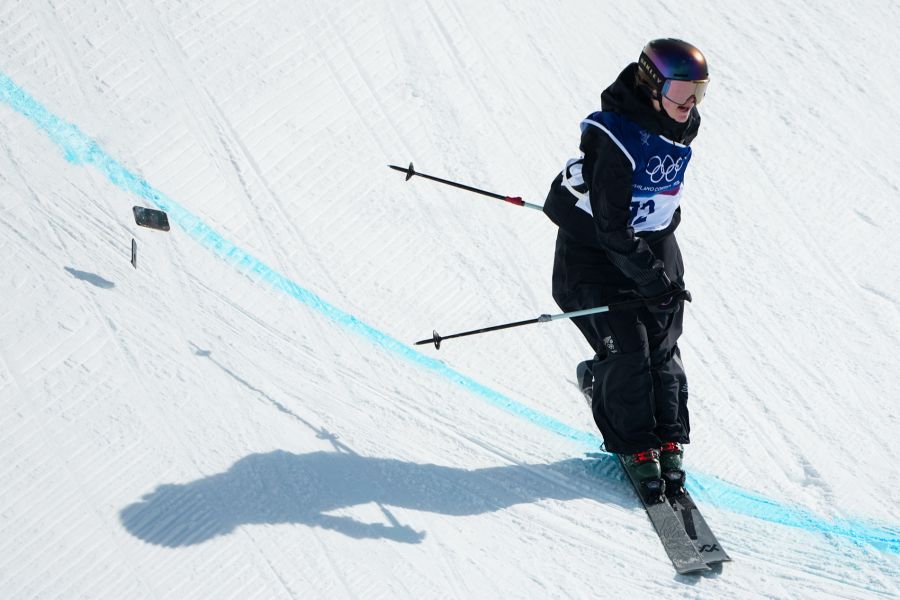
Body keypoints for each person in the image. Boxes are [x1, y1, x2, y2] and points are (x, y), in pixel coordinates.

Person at [543, 39, 709, 502]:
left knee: (662, 338)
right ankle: (634, 443)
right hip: (593, 257)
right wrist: (651, 279)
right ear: (652, 86)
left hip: (651, 244)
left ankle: (667, 434)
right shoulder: (614, 139)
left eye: (699, 92)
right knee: (629, 347)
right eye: (680, 91)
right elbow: (613, 230)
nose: (690, 104)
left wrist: (660, 275)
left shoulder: (682, 122)